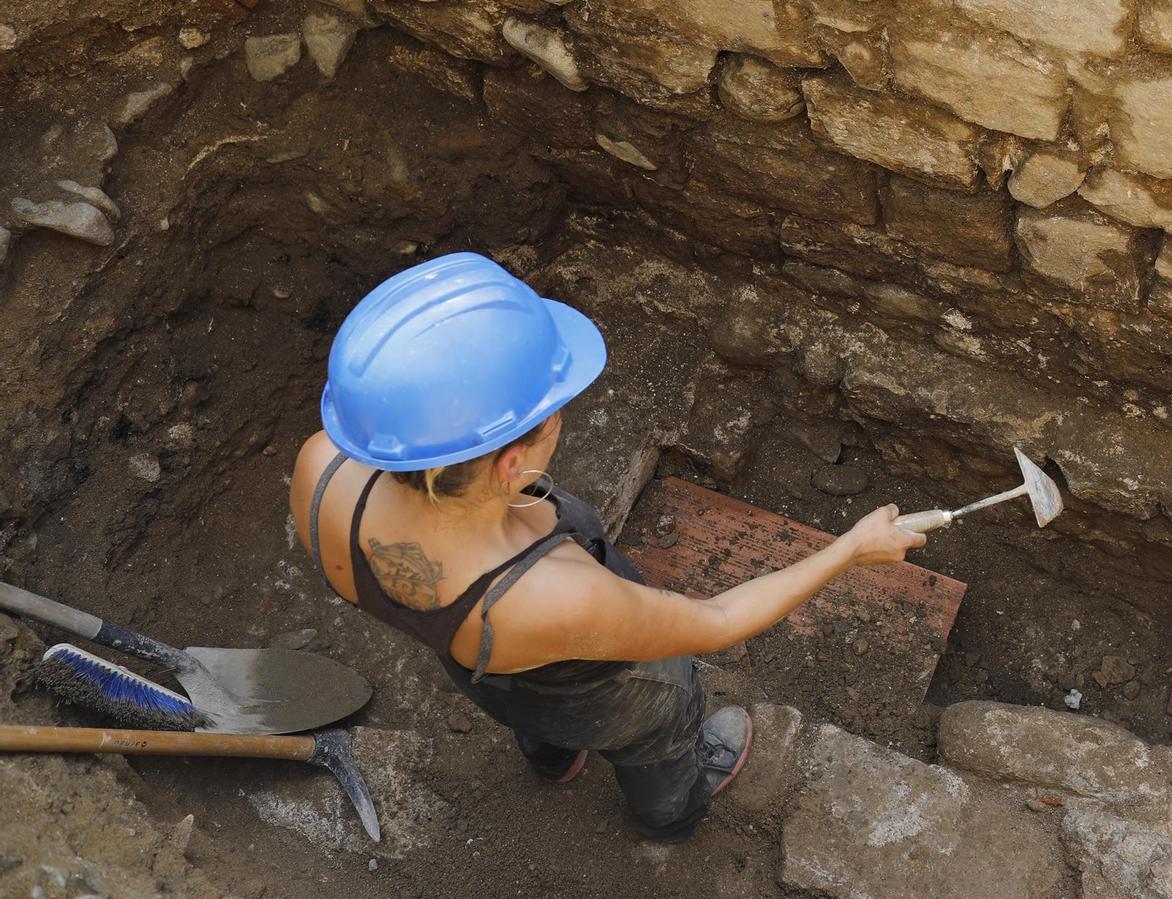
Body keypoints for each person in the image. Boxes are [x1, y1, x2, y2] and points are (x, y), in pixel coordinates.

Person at [290, 252, 923, 842]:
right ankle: (671, 814)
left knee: (530, 713)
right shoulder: (556, 596)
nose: (562, 415)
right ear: (512, 464)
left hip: (481, 668)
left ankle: (551, 759)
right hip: (602, 691)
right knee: (661, 730)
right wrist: (848, 550)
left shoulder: (321, 472)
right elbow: (719, 622)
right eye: (554, 412)